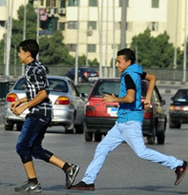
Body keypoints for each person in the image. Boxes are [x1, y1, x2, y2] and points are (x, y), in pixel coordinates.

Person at [70, 48, 187, 190]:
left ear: (128, 62)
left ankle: (178, 164)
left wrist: (114, 98)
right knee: (102, 148)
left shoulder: (128, 76)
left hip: (131, 121)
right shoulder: (136, 72)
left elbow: (130, 97)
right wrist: (148, 99)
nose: (117, 65)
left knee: (142, 152)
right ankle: (88, 181)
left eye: (119, 62)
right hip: (121, 123)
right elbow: (153, 78)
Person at [11, 39, 79, 193]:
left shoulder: (33, 70)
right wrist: (19, 101)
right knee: (34, 149)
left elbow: (43, 93)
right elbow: (36, 92)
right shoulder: (36, 67)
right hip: (42, 112)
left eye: (20, 52)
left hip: (39, 113)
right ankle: (68, 168)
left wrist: (24, 107)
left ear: (28, 54)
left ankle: (33, 183)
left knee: (22, 147)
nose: (18, 55)